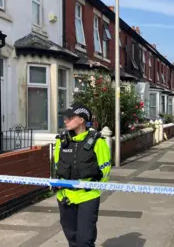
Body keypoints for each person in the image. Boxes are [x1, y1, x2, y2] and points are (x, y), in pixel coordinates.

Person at [53, 102, 111, 247]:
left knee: (85, 240)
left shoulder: (98, 141)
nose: (65, 121)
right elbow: (56, 166)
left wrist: (90, 185)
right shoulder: (62, 141)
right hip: (65, 197)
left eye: (70, 117)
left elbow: (105, 171)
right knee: (72, 239)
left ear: (82, 119)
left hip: (87, 196)